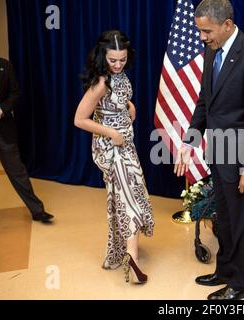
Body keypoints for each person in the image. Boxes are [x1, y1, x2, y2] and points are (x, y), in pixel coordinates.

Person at [174, 0, 244, 300]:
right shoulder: (211, 51)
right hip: (218, 154)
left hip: (242, 158)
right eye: (200, 31)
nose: (202, 37)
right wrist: (189, 142)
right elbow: (205, 102)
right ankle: (226, 270)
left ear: (227, 25)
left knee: (243, 221)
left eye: (207, 31)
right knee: (226, 219)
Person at [74, 30, 154, 284]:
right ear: (102, 57)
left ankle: (122, 251)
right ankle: (133, 260)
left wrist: (130, 106)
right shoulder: (101, 81)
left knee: (130, 193)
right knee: (128, 196)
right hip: (109, 148)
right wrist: (111, 132)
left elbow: (118, 100)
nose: (118, 65)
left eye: (122, 59)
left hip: (126, 144)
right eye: (113, 61)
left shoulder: (120, 76)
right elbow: (79, 120)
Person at [0, 23, 53, 235]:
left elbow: (15, 93)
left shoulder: (5, 65)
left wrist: (0, 110)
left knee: (18, 172)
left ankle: (38, 211)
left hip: (3, 128)